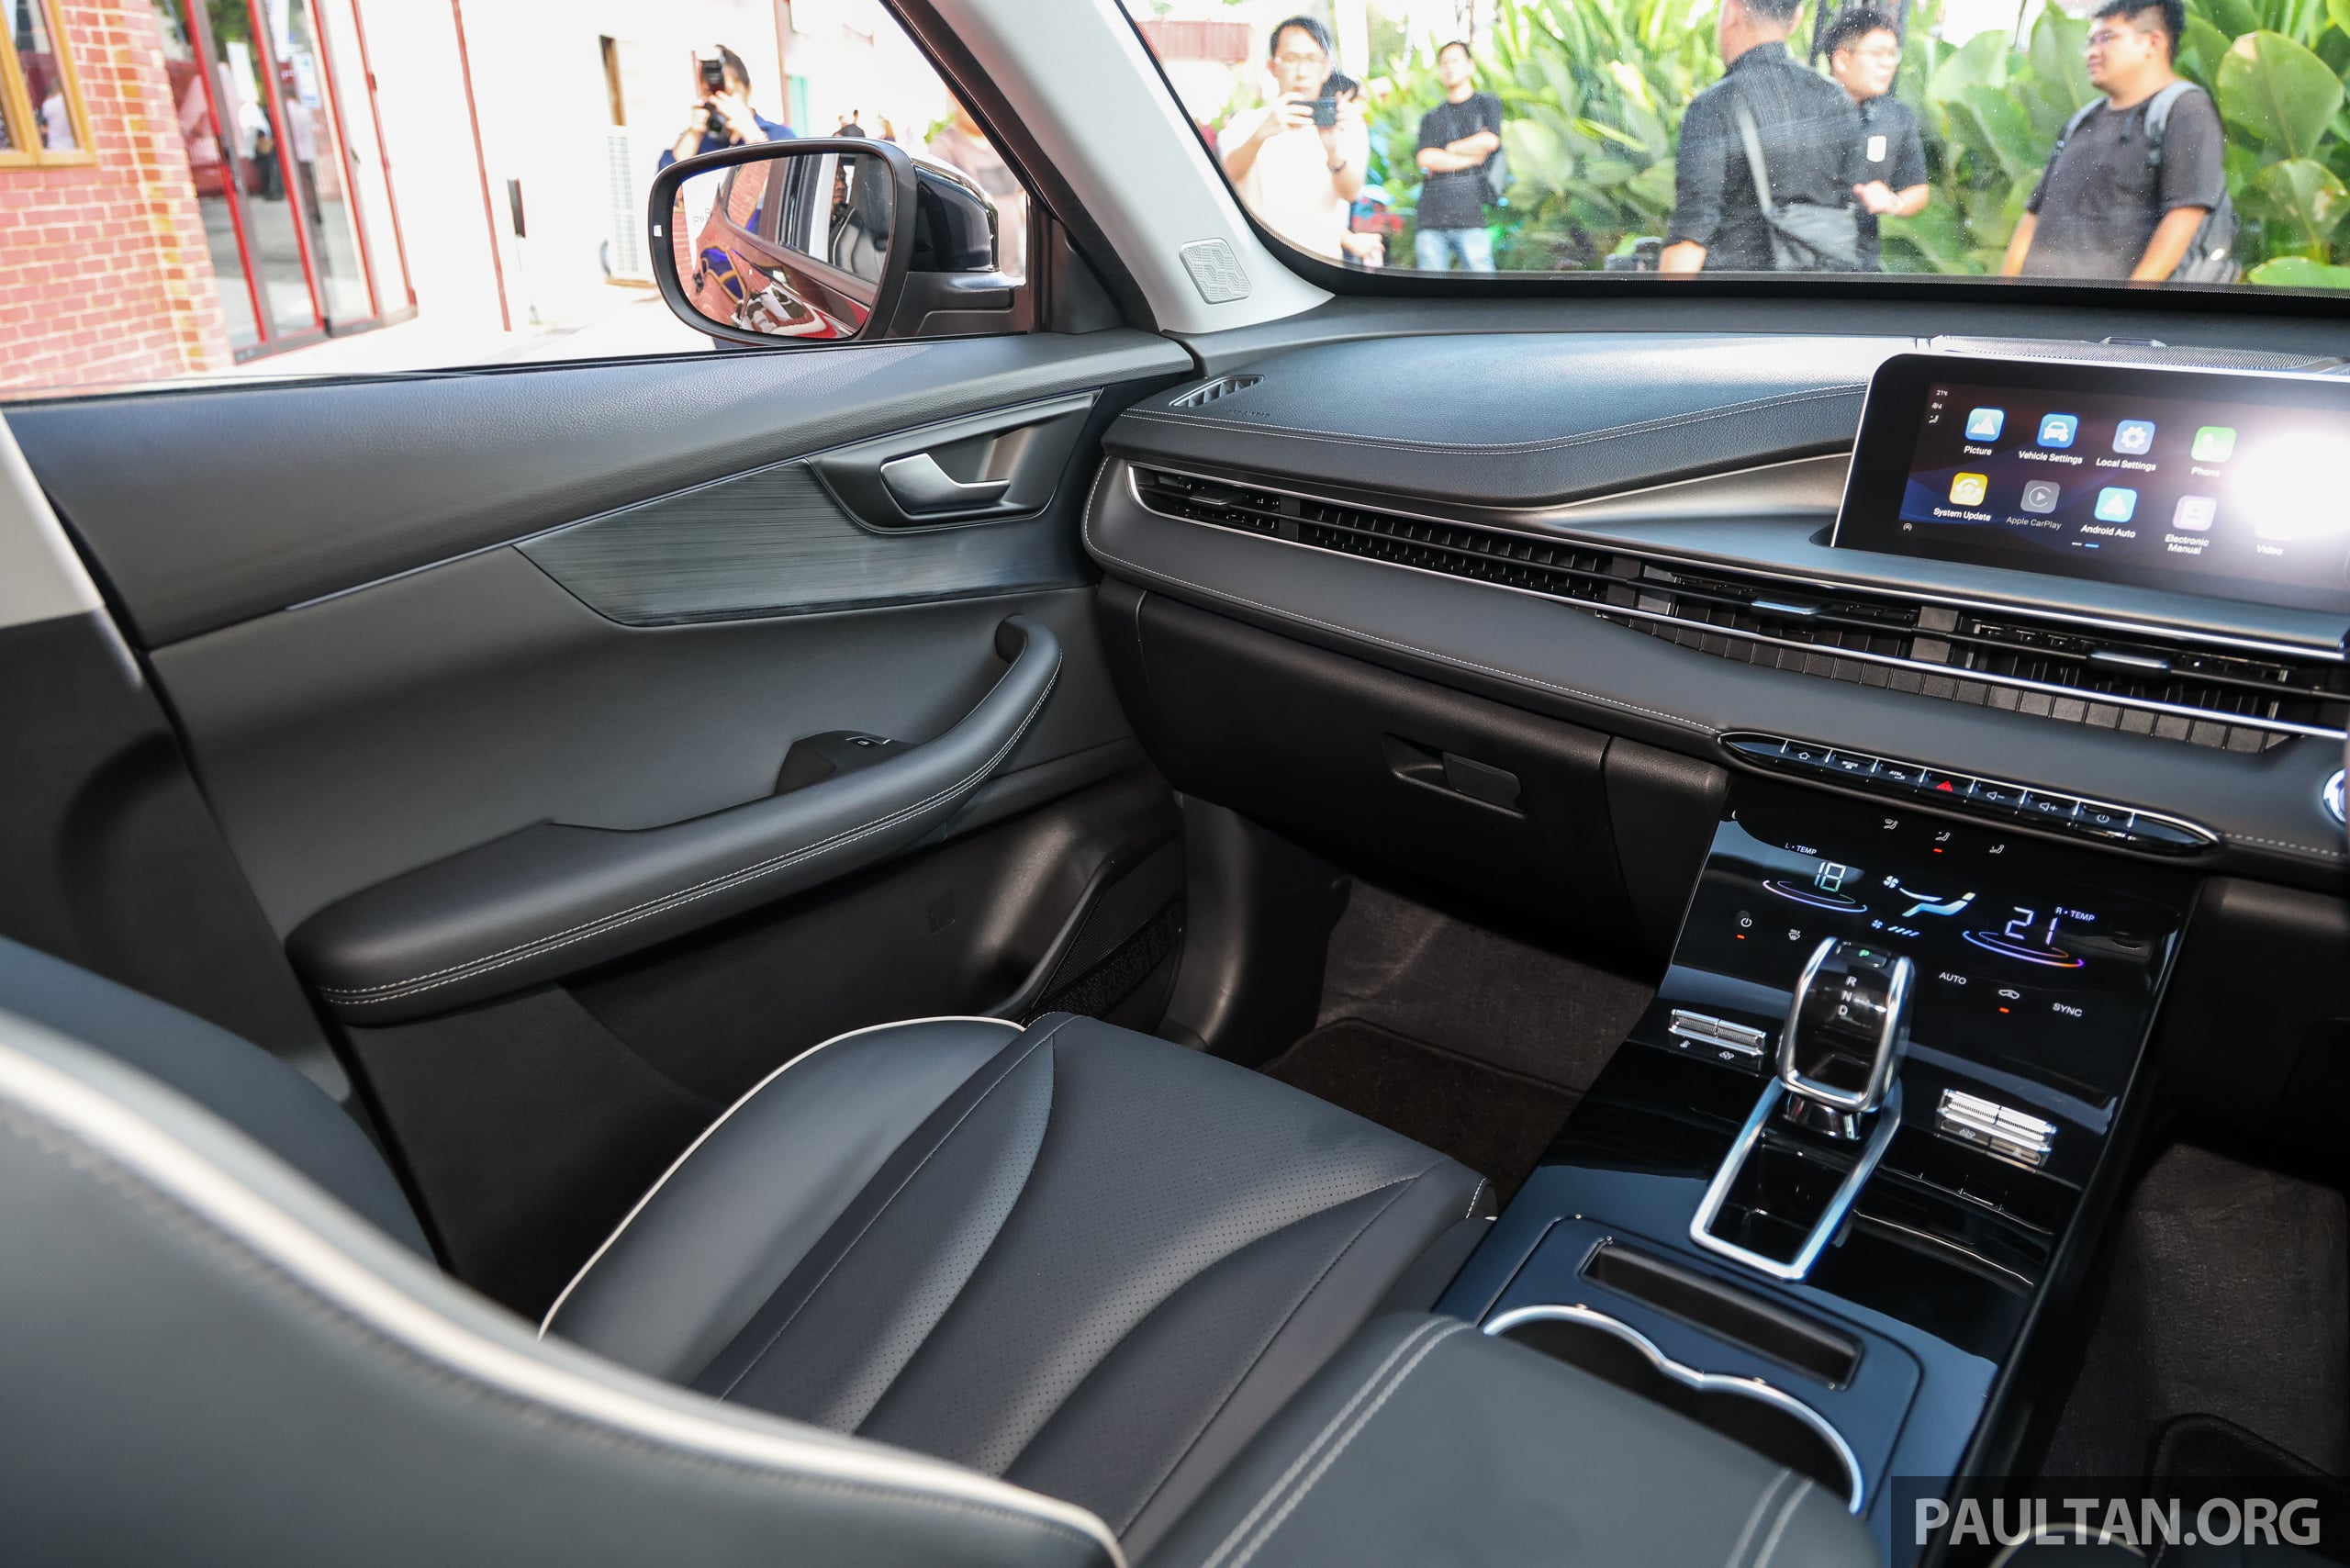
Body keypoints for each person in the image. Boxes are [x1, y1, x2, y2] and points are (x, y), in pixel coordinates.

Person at [1999, 0, 2226, 281]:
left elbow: (2184, 216)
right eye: (2090, 42)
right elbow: (2033, 216)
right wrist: (2005, 292)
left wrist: (2127, 303)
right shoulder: (2081, 121)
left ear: (2153, 43)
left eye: (2107, 38)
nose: (2092, 52)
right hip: (2037, 303)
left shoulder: (2185, 110)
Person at [1662, 0, 1863, 273]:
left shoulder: (1715, 105)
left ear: (1732, 11)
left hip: (1739, 289)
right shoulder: (1836, 98)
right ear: (1796, 19)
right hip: (1822, 289)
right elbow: (1852, 205)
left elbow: (1694, 229)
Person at [1217, 16, 1368, 262]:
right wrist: (1261, 134)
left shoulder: (1346, 125)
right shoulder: (1245, 123)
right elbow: (1225, 179)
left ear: (1326, 68)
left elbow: (1351, 193)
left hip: (1322, 265)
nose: (1301, 72)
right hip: (1258, 260)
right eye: (1290, 59)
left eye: (1312, 59)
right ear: (1273, 67)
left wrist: (1333, 152)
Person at [1822, 8, 1928, 271]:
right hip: (1803, 256)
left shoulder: (1897, 117)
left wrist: (1893, 202)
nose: (1887, 63)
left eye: (1892, 54)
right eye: (1877, 54)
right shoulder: (1807, 110)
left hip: (1862, 262)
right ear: (1842, 60)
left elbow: (1919, 189)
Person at [1413, 40, 1503, 272]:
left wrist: (1449, 148)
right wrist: (1471, 157)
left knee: (1483, 287)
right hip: (1431, 218)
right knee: (1431, 291)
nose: (1449, 67)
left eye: (1455, 60)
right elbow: (1425, 158)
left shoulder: (1487, 104)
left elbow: (1490, 141)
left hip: (1471, 215)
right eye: (1444, 63)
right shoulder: (1432, 117)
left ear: (1470, 65)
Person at [926, 99, 1028, 278]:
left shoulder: (1003, 141)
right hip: (976, 275)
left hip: (1015, 270)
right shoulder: (944, 147)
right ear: (954, 101)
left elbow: (1021, 198)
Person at [660, 47, 791, 172]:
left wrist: (752, 135)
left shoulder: (780, 136)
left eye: (728, 94)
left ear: (748, 90)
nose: (719, 103)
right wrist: (694, 134)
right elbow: (664, 182)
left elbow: (783, 178)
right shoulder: (700, 143)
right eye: (709, 94)